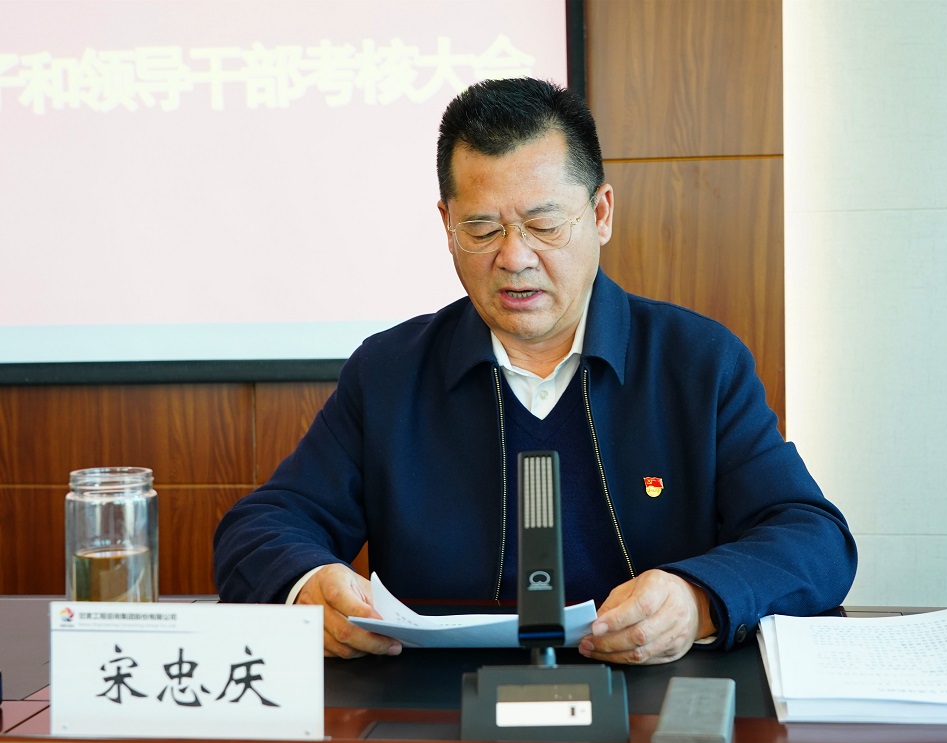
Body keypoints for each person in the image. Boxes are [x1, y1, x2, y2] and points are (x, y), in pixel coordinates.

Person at [213, 77, 857, 665]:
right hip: (435, 708)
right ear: (447, 225)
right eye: (482, 229)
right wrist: (307, 584)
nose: (514, 257)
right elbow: (261, 526)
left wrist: (699, 599)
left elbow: (814, 538)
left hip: (646, 699)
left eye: (544, 224)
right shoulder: (389, 374)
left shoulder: (697, 363)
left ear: (601, 214)